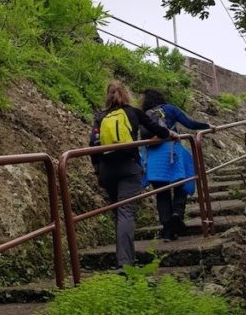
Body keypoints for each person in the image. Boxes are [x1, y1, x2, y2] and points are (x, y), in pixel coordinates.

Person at [90, 81, 176, 268]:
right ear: (126, 94)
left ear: (108, 95)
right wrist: (171, 134)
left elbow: (93, 146)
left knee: (118, 213)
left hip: (107, 169)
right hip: (129, 167)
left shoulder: (100, 117)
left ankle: (123, 258)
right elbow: (160, 132)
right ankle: (126, 263)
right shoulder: (134, 113)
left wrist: (98, 171)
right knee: (126, 213)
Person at [140, 88, 210, 241]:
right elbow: (190, 124)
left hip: (154, 158)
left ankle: (167, 231)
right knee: (182, 184)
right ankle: (177, 214)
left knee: (162, 193)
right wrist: (208, 126)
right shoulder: (170, 109)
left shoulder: (145, 115)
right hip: (172, 153)